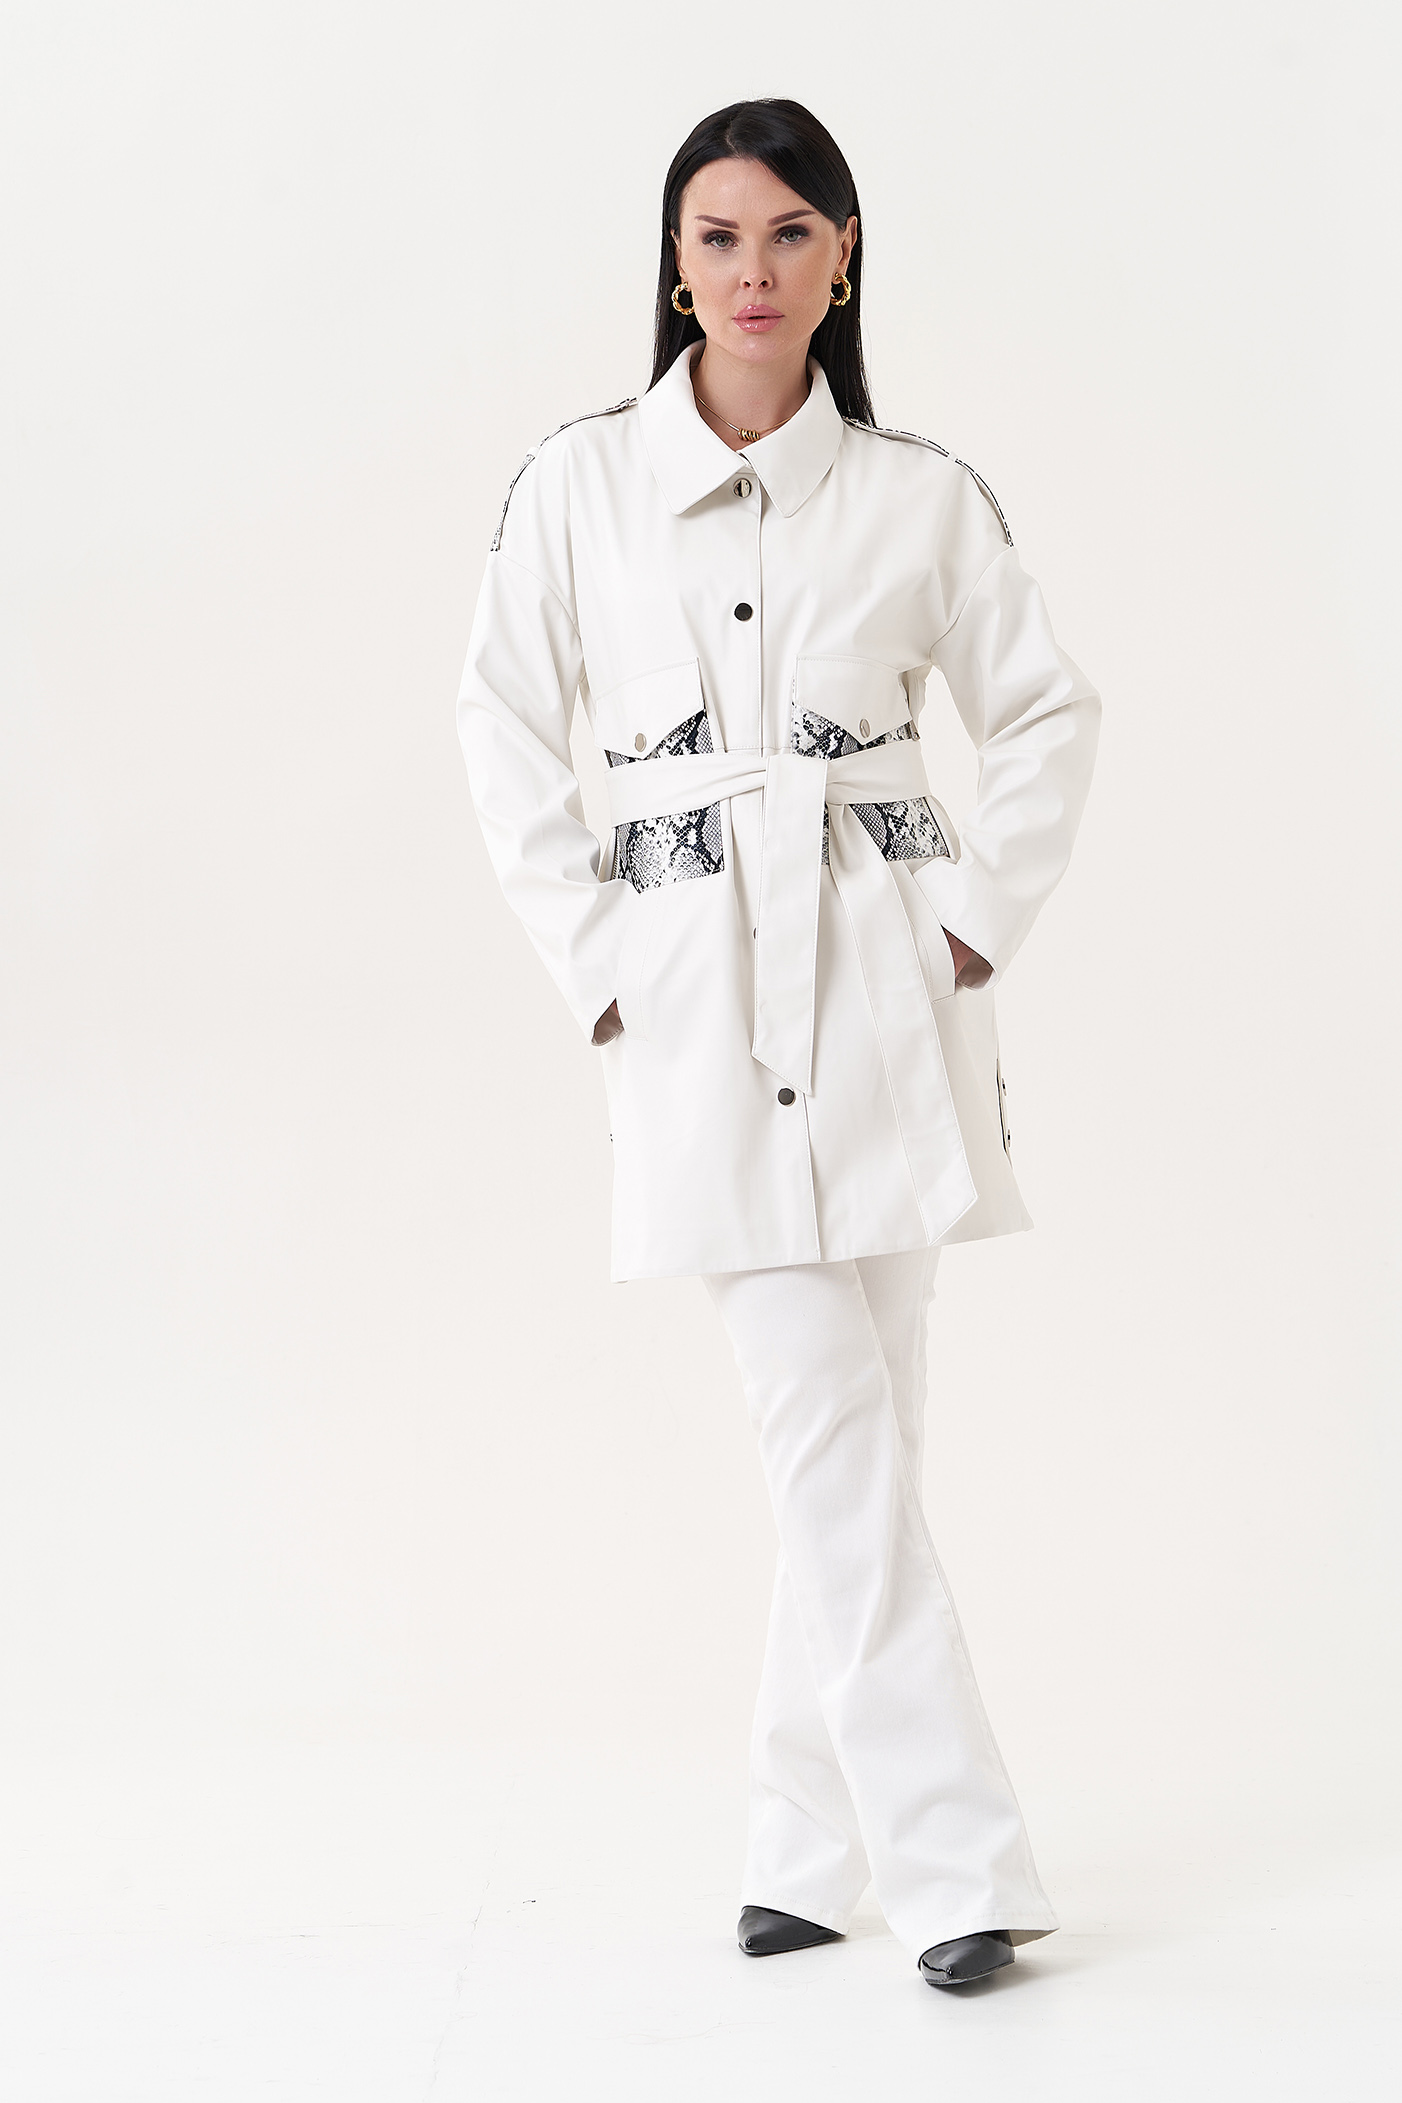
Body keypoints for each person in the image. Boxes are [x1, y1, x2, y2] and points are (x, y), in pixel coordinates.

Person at [457, 98, 1100, 1991]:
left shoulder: (919, 495)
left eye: (788, 233)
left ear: (842, 257)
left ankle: (801, 1850)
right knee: (828, 1425)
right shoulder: (577, 485)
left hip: (890, 997)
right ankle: (960, 1865)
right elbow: (499, 725)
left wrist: (971, 920)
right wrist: (600, 962)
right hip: (694, 1011)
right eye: (716, 236)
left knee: (868, 1425)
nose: (751, 270)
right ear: (674, 267)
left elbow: (1045, 712)